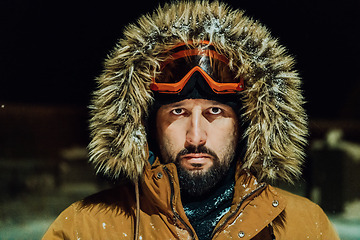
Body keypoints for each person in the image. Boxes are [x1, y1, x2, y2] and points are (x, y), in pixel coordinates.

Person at [43, 1, 340, 239]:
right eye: (178, 112)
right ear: (146, 124)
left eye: (215, 112)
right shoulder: (83, 228)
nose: (195, 137)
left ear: (247, 125)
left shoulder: (306, 227)